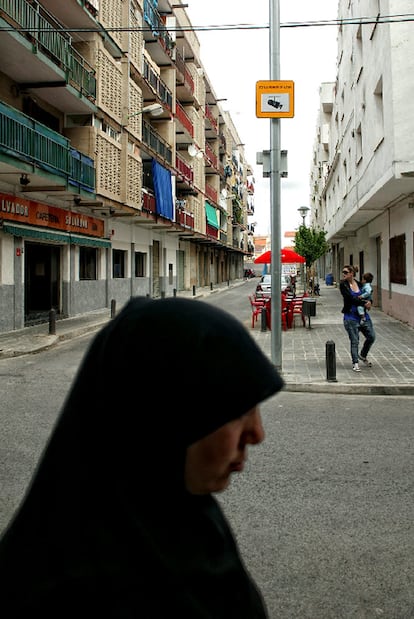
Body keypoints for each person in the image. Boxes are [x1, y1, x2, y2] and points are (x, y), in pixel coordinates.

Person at [0, 297, 284, 618]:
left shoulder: (191, 520)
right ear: (158, 415)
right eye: (235, 408)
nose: (257, 433)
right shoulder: (64, 594)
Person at [340, 265, 376, 372]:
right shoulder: (343, 285)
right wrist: (364, 303)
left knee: (371, 337)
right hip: (350, 317)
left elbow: (368, 295)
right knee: (355, 341)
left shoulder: (360, 284)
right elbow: (350, 299)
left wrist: (370, 302)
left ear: (352, 273)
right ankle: (355, 363)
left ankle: (363, 355)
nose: (344, 274)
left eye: (346, 272)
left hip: (364, 316)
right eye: (343, 272)